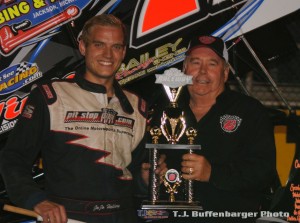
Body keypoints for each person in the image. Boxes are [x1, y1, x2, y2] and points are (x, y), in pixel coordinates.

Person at [0, 14, 166, 223]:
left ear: (123, 52)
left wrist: (145, 179)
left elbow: (133, 174)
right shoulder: (51, 96)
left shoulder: (137, 107)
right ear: (83, 47)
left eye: (116, 47)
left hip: (123, 215)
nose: (108, 54)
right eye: (99, 45)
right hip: (69, 216)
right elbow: (13, 158)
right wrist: (35, 199)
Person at [149, 35, 278, 222]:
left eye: (212, 64)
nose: (202, 72)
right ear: (184, 69)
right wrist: (150, 172)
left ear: (225, 72)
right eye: (195, 63)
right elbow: (150, 156)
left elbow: (263, 171)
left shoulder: (249, 111)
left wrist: (213, 173)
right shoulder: (164, 108)